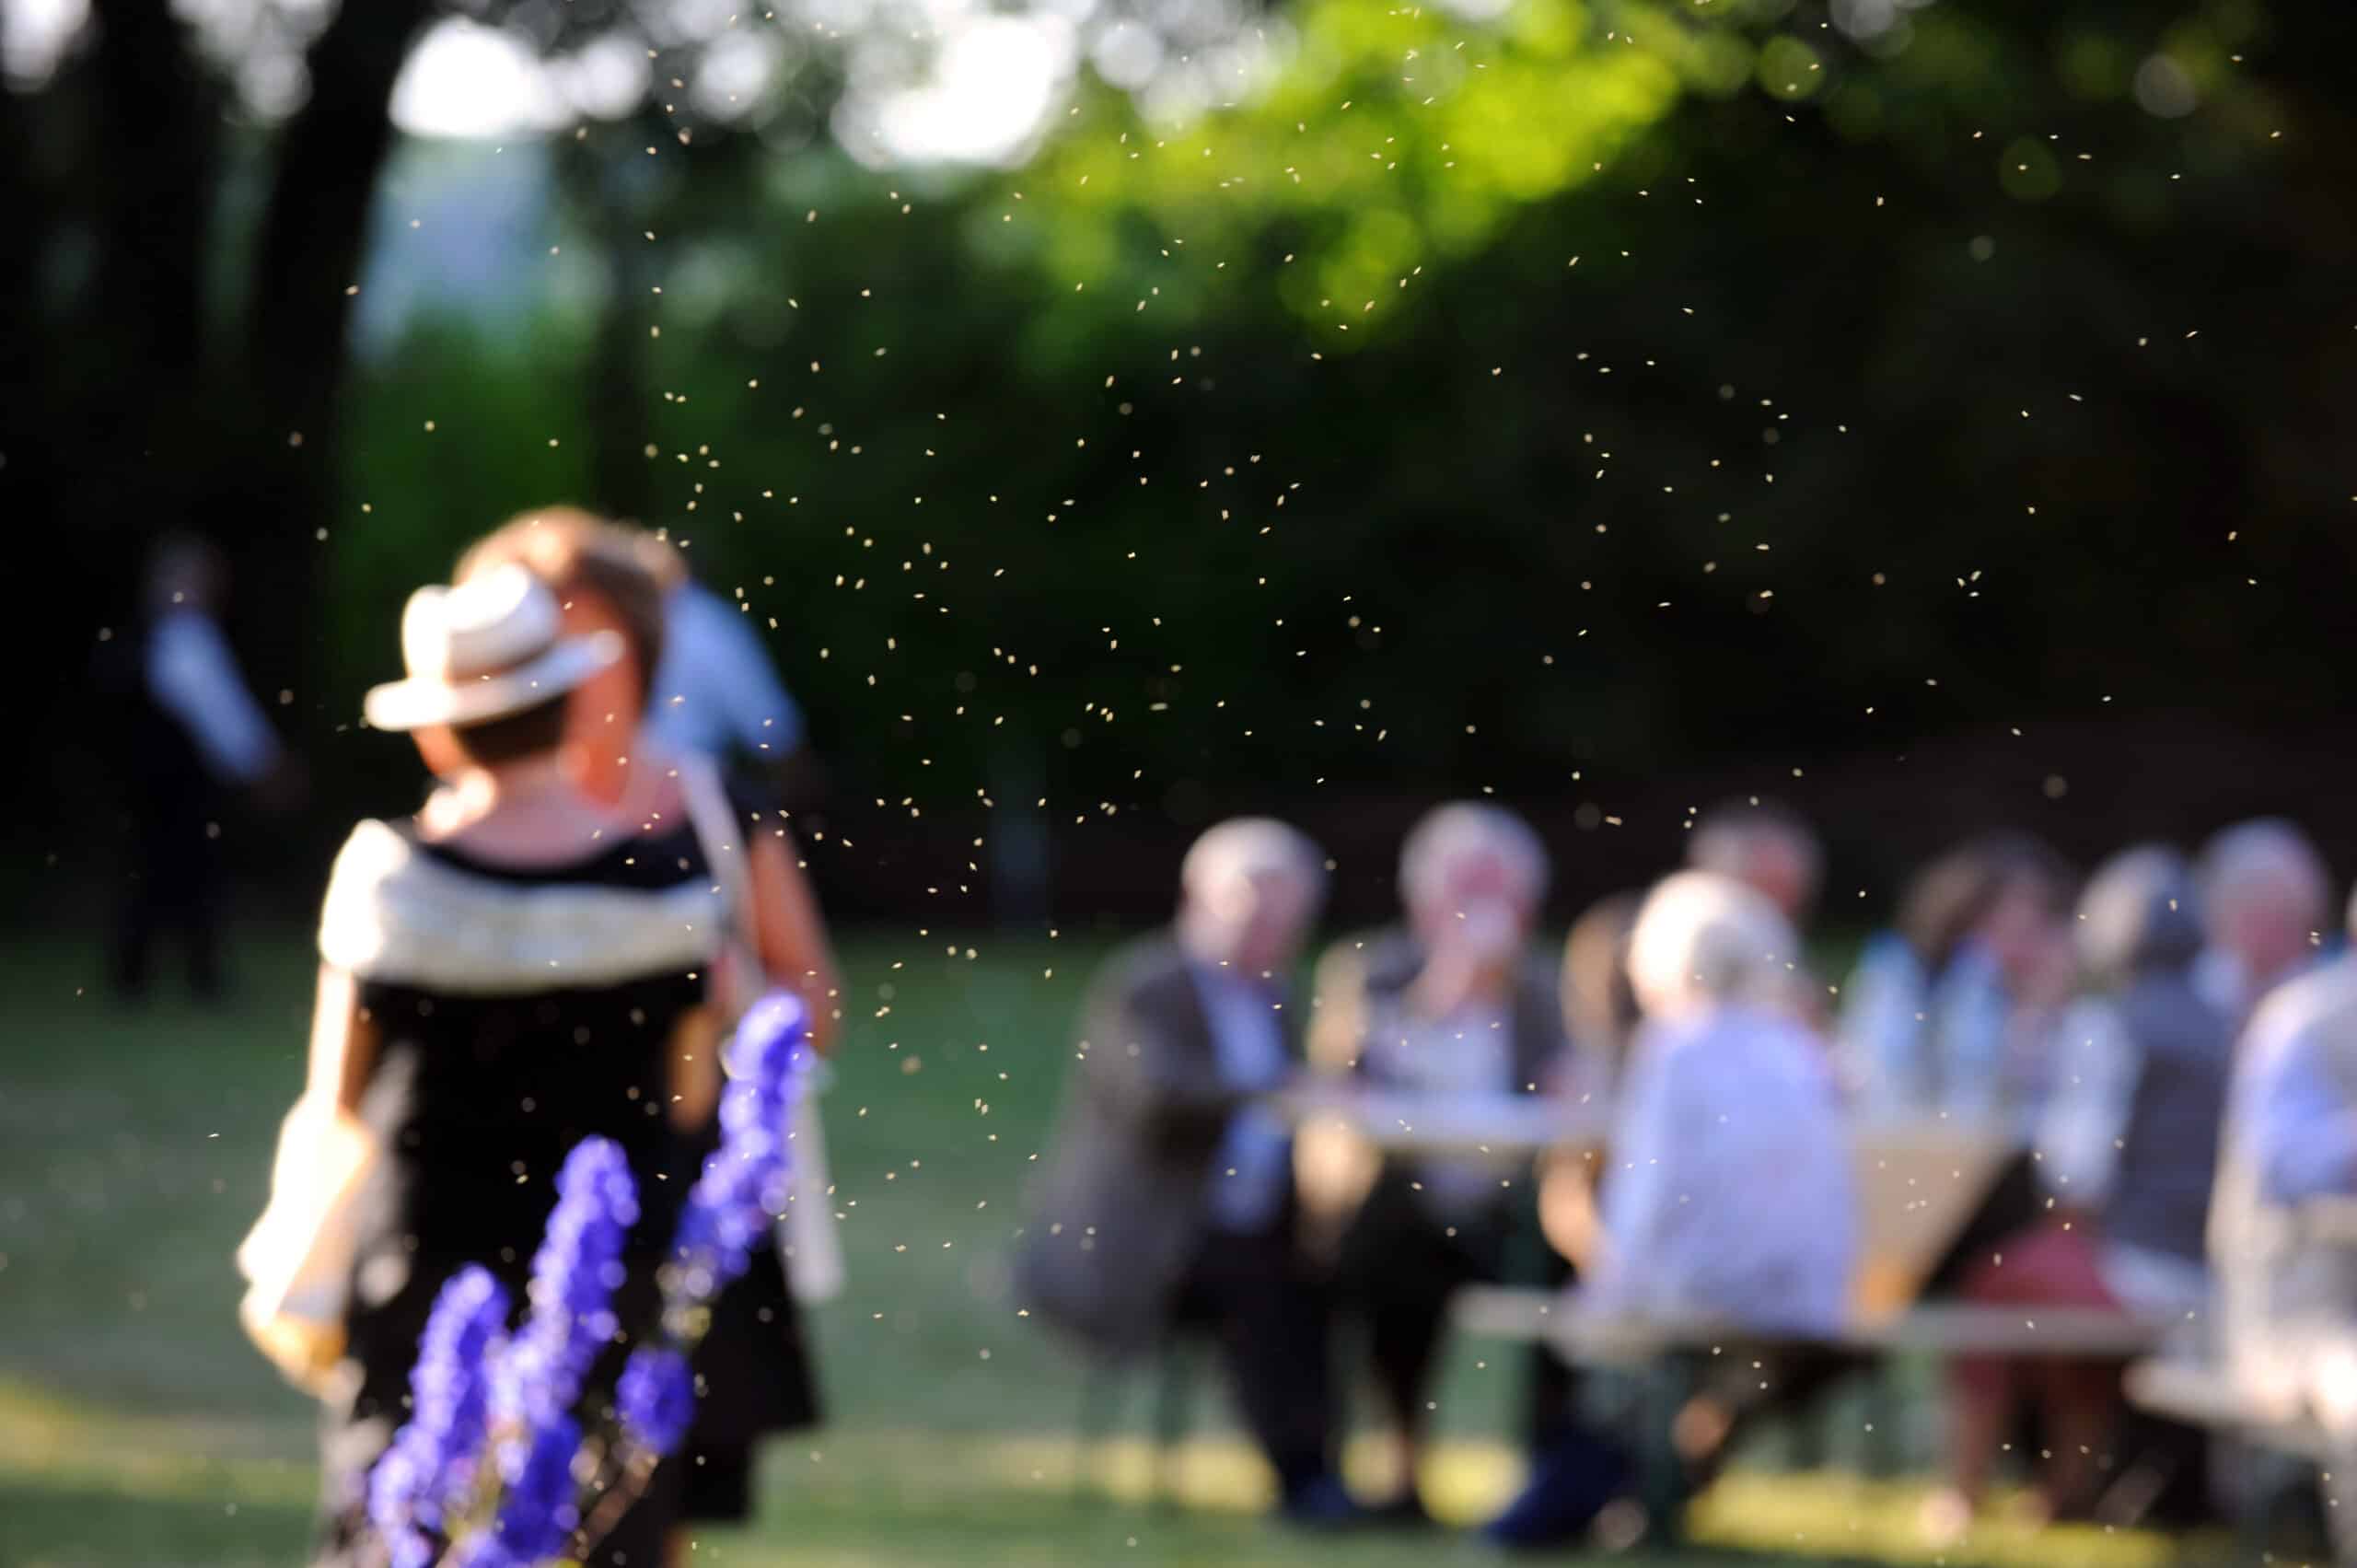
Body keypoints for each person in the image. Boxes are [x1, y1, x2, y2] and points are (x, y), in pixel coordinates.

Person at [296, 564, 712, 1565]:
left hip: (423, 1281)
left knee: (405, 1529)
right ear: (570, 703)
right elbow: (694, 1092)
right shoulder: (666, 888)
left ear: (437, 730)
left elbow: (336, 1099)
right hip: (611, 1288)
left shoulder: (389, 881)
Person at [457, 509, 842, 1539]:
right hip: (489, 1189)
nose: (572, 676)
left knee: (637, 1498)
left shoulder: (711, 807)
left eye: (594, 645)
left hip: (665, 1195)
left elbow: (815, 997)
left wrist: (720, 1015)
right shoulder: (459, 827)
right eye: (545, 647)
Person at [1016, 819, 1356, 1525]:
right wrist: (1273, 1091)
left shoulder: (1275, 997)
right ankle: (1303, 1477)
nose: (1269, 935)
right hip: (1143, 1241)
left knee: (1343, 1267)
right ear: (1199, 896)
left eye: (1284, 922)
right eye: (1254, 912)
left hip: (1250, 1223)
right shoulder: (1146, 985)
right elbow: (1158, 1100)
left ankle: (1333, 1469)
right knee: (1270, 1282)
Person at [1932, 846, 2232, 1532]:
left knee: (1989, 1287)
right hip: (2211, 1273)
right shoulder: (2224, 1019)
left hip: (2146, 1268)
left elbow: (2077, 1177)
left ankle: (1962, 1491)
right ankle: (2064, 1491)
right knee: (2058, 1305)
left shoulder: (2111, 1024)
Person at [1304, 803, 1578, 1522]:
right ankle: (1399, 1465)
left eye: (1498, 895)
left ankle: (1552, 1474)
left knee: (1576, 1264)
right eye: (1465, 892)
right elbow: (1344, 1084)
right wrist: (1442, 996)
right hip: (1404, 1199)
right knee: (1385, 1264)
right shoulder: (1371, 970)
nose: (1480, 912)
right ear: (1422, 897)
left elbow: (1569, 1085)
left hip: (1511, 1202)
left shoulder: (1544, 983)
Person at [1581, 870, 1859, 1502]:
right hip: (1810, 1287)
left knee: (1604, 1332)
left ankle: (1621, 1485)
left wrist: (1607, 1282)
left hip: (1710, 1284)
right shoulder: (1800, 1046)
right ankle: (1662, 1474)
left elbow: (1648, 1191)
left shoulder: (1675, 1047)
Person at [99, 534, 296, 1001]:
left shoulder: (151, 639)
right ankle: (188, 977)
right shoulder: (186, 639)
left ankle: (142, 975)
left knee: (155, 875)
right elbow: (222, 716)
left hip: (152, 785)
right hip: (178, 787)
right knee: (187, 876)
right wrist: (265, 767)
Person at [1837, 831, 2073, 1121]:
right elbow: (1877, 1077)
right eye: (2004, 927)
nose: (2021, 946)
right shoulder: (1903, 978)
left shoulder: (2070, 1008)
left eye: (2035, 927)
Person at [638, 544, 814, 808]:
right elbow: (765, 720)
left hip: (643, 789)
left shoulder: (610, 627)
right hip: (696, 790)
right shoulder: (707, 621)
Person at [2196, 819, 2332, 1026]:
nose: (2270, 933)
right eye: (2253, 912)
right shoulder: (2200, 991)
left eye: (2285, 916)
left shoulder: (2324, 999)